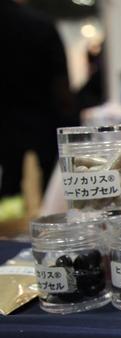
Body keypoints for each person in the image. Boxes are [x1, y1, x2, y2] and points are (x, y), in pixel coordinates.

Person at [0, 0, 79, 197]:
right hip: (43, 120)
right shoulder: (40, 24)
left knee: (10, 182)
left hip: (7, 122)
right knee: (47, 182)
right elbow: (61, 82)